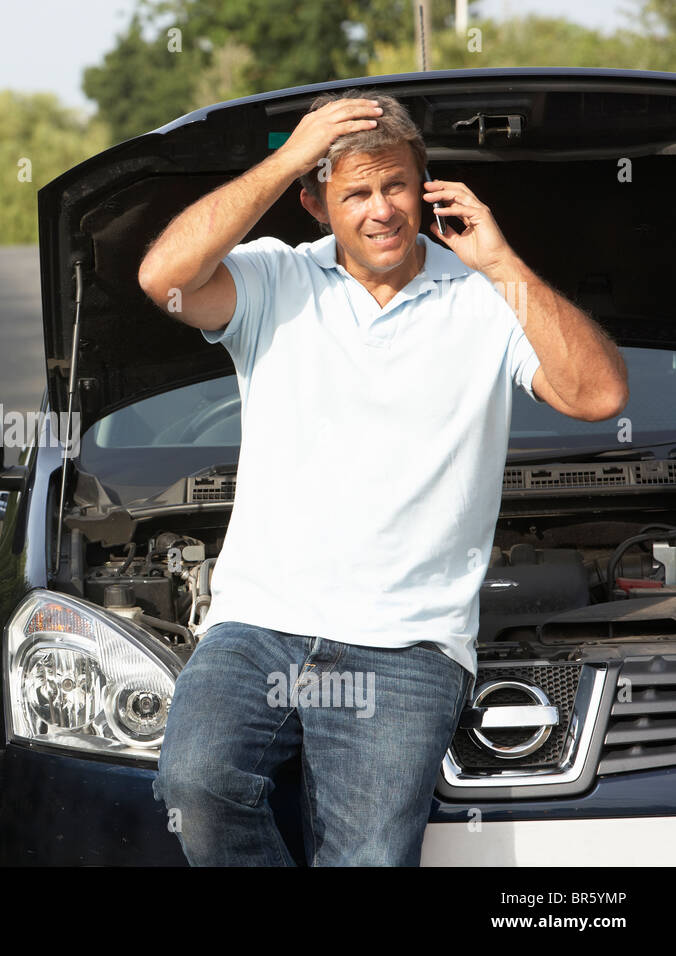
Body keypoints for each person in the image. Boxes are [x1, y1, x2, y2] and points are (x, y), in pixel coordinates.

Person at [135, 89, 629, 866]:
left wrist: (499, 261)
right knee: (196, 784)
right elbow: (163, 275)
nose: (381, 210)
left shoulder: (489, 299)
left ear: (424, 185)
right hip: (259, 624)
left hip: (408, 646)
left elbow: (599, 395)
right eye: (355, 192)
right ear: (315, 202)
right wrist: (292, 152)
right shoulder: (273, 280)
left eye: (396, 185)